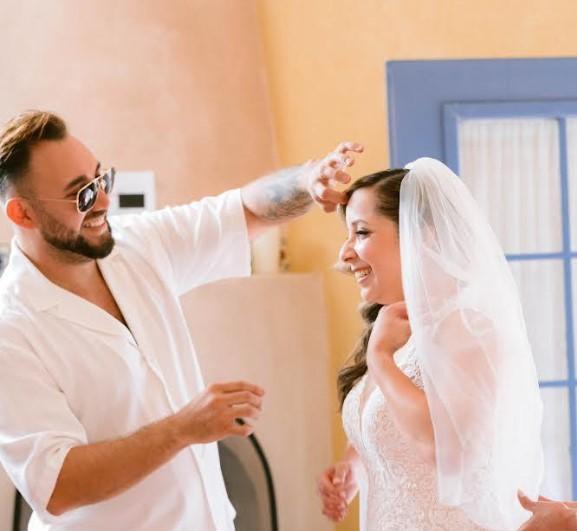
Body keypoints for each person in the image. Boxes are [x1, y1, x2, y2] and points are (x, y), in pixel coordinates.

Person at [0, 109, 363, 530]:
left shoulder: (138, 244)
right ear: (23, 214)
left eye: (102, 180)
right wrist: (183, 429)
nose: (103, 202)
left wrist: (307, 179)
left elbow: (244, 211)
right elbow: (57, 486)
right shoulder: (11, 328)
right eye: (81, 195)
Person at [317, 158, 544, 530]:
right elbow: (393, 426)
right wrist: (354, 466)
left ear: (422, 235)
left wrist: (380, 359)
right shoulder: (396, 329)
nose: (344, 253)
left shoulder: (469, 328)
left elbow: (448, 453)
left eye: (361, 233)